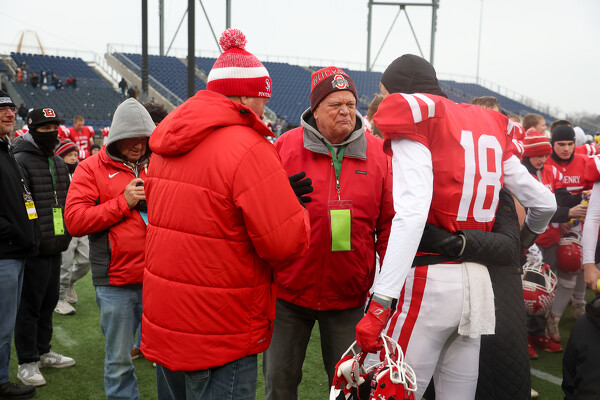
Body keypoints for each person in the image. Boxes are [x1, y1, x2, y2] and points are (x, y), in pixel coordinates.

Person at [354, 54, 556, 400]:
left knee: (389, 390)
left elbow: (412, 214)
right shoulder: (486, 122)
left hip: (428, 280)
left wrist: (381, 301)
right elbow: (545, 203)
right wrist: (525, 242)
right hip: (478, 285)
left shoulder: (418, 116)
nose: (384, 102)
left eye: (386, 94)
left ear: (402, 92)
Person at [141, 28, 310, 400]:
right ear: (246, 95)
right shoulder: (249, 147)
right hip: (220, 325)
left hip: (168, 320)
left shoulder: (165, 142)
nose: (265, 109)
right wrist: (293, 207)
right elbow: (285, 243)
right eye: (263, 99)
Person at [263, 67, 394, 399]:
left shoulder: (379, 153)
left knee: (350, 388)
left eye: (350, 104)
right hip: (290, 291)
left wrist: (386, 288)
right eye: (335, 104)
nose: (345, 111)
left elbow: (388, 225)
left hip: (348, 294)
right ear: (316, 109)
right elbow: (261, 215)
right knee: (279, 382)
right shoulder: (285, 146)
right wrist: (280, 200)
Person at [64, 98, 153, 400]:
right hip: (116, 282)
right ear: (116, 135)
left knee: (169, 356)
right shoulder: (90, 168)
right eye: (131, 137)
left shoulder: (160, 164)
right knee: (119, 362)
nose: (139, 144)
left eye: (144, 137)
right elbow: (74, 221)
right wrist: (123, 203)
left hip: (159, 278)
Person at [12, 107, 74, 387]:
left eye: (54, 127)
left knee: (48, 303)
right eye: (45, 128)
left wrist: (64, 235)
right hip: (33, 247)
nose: (51, 132)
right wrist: (32, 238)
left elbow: (64, 202)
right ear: (32, 129)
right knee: (30, 306)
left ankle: (43, 351)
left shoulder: (58, 162)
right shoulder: (20, 160)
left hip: (55, 245)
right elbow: (22, 205)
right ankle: (27, 361)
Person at [0, 90, 37, 399]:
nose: (10, 114)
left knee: (6, 323)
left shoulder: (7, 149)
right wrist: (12, 233)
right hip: (5, 252)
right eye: (2, 109)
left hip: (16, 250)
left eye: (11, 108)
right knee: (1, 325)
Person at [542, 125, 591, 345]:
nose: (566, 148)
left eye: (570, 144)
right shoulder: (545, 163)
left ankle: (578, 304)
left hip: (582, 223)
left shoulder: (584, 161)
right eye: (561, 144)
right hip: (552, 226)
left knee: (583, 265)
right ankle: (552, 317)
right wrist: (562, 217)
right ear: (552, 143)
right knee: (566, 269)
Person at [53, 138, 90, 316]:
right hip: (62, 222)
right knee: (65, 262)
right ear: (60, 156)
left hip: (80, 221)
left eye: (75, 154)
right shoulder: (53, 173)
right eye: (69, 155)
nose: (74, 158)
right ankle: (59, 298)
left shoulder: (80, 173)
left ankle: (69, 284)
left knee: (86, 260)